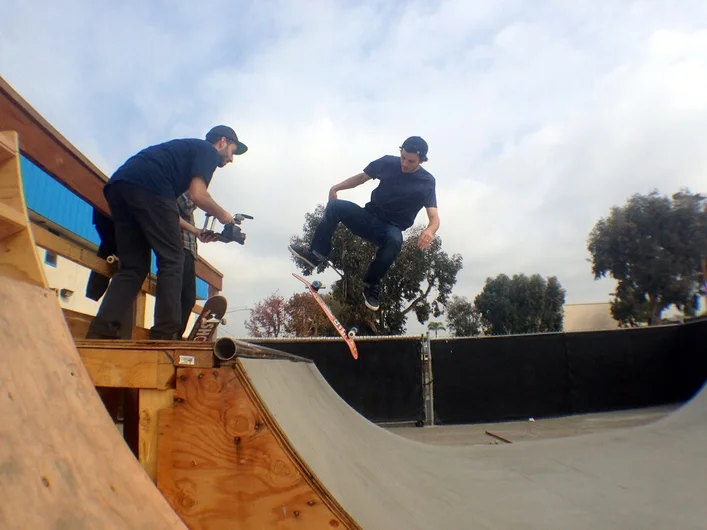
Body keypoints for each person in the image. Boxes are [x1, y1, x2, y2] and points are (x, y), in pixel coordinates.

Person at [86, 125, 247, 340]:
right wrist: (223, 215)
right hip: (149, 188)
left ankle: (100, 332)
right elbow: (198, 194)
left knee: (133, 267)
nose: (231, 159)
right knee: (173, 259)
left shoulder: (178, 159)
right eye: (232, 151)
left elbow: (166, 211)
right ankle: (165, 335)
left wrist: (196, 231)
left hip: (119, 186)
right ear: (222, 142)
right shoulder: (207, 152)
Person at [288, 136, 439, 311]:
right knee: (335, 206)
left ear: (422, 160)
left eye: (410, 161)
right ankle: (316, 254)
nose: (404, 164)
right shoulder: (387, 162)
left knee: (395, 241)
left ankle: (371, 285)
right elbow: (361, 178)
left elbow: (434, 217)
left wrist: (430, 230)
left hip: (390, 229)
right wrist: (335, 188)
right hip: (367, 217)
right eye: (403, 157)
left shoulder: (427, 182)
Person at [175, 190, 221, 338]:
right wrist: (209, 204)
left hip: (189, 250)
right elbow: (186, 202)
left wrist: (200, 234)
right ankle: (171, 334)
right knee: (179, 295)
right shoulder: (183, 184)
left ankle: (177, 335)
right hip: (179, 247)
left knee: (188, 298)